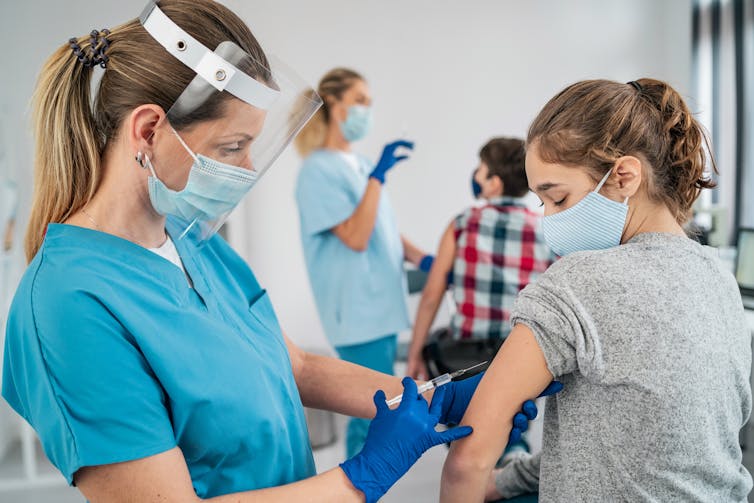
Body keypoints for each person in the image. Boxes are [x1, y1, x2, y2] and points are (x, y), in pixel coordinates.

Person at [0, 2, 540, 501]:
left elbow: (295, 366)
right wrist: (361, 476)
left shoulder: (194, 243)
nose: (248, 167)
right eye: (232, 146)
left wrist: (431, 399)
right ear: (147, 131)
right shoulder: (68, 305)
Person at [440, 78, 753, 502]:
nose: (549, 219)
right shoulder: (718, 277)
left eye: (558, 199)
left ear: (623, 176)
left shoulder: (577, 282)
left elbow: (468, 461)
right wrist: (506, 483)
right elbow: (643, 449)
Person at [294, 68, 434, 457]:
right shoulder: (317, 171)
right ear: (335, 107)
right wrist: (377, 177)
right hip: (356, 312)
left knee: (376, 413)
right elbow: (356, 237)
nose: (367, 110)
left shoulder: (357, 164)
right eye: (360, 101)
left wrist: (423, 259)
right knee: (369, 415)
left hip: (379, 308)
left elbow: (381, 228)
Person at [406, 137, 553, 381]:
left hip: (467, 355)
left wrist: (413, 356)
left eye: (481, 169)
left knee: (437, 350)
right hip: (519, 352)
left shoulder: (463, 223)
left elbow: (432, 296)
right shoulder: (544, 229)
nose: (475, 175)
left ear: (493, 183)